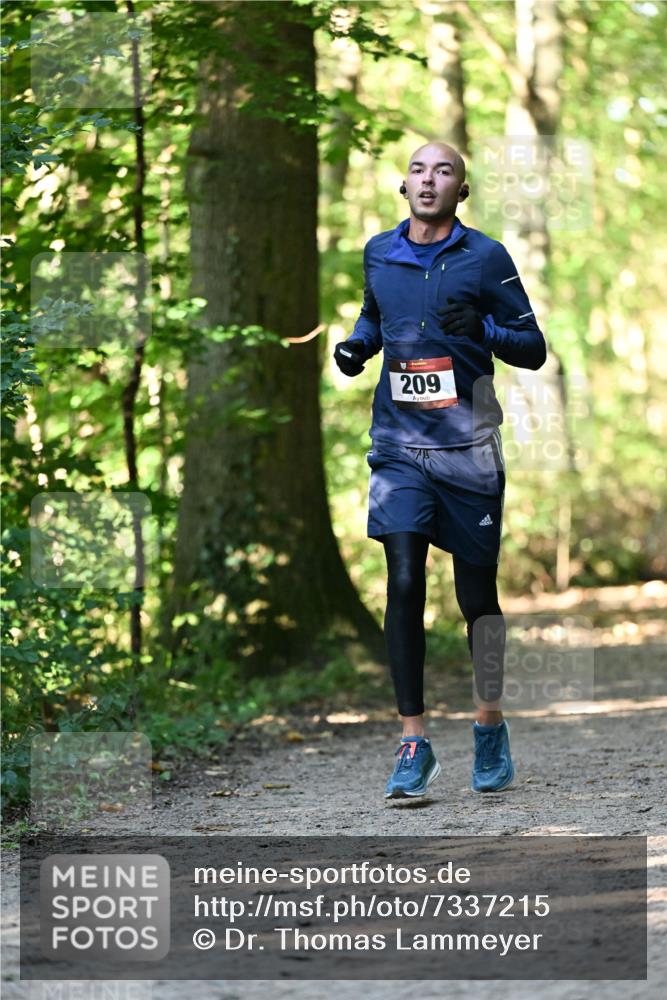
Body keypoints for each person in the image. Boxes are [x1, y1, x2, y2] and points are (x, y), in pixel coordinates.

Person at [333, 142, 547, 799]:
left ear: (461, 189)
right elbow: (375, 316)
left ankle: (489, 725)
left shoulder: (486, 257)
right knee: (403, 579)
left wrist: (483, 330)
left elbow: (533, 349)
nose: (429, 180)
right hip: (398, 445)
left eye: (444, 170)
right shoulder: (379, 252)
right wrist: (357, 346)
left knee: (476, 601)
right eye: (419, 170)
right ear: (404, 186)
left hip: (469, 449)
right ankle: (412, 743)